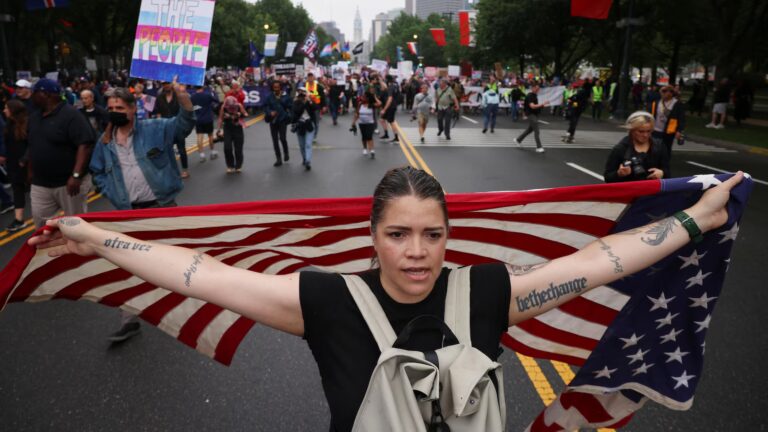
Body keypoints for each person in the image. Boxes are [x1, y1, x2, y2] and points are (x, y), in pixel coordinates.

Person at [29, 166, 744, 432]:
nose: (416, 252)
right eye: (398, 235)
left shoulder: (489, 290)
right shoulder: (326, 302)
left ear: (448, 237)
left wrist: (696, 220)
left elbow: (597, 262)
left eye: (432, 235)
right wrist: (96, 237)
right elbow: (198, 274)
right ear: (372, 239)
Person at [89, 86, 194, 341]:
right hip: (127, 215)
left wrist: (182, 97)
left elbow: (183, 125)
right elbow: (98, 170)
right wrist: (112, 192)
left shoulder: (155, 129)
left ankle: (186, 310)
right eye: (111, 109)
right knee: (128, 267)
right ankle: (129, 320)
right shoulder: (105, 142)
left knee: (174, 262)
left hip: (161, 208)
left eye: (120, 108)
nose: (115, 113)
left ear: (133, 108)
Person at [27, 79, 96, 228]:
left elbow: (85, 145)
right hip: (41, 183)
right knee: (43, 225)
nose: (31, 96)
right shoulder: (33, 117)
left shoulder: (72, 115)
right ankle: (49, 250)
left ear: (45, 94)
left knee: (75, 225)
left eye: (35, 93)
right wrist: (30, 170)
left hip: (68, 184)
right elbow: (32, 145)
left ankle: (76, 251)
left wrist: (76, 175)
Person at [604, 111, 670, 183]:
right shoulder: (620, 149)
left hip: (652, 191)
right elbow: (608, 177)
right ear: (631, 130)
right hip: (629, 192)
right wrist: (619, 174)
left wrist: (662, 173)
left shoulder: (659, 146)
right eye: (641, 131)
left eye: (649, 131)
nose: (645, 135)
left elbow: (668, 173)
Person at [1, 100, 30, 232]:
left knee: (36, 190)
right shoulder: (9, 124)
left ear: (13, 110)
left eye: (6, 108)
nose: (4, 110)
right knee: (17, 189)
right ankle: (19, 219)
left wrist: (25, 159)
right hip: (13, 163)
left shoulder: (28, 124)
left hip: (27, 164)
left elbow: (33, 143)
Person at [154, 82, 190, 179]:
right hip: (165, 127)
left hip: (178, 126)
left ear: (171, 84)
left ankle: (185, 170)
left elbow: (187, 108)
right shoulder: (159, 97)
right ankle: (171, 170)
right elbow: (157, 112)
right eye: (164, 84)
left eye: (168, 83)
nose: (166, 85)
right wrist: (159, 123)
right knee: (167, 150)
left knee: (181, 149)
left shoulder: (178, 96)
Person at [649, 86, 686, 158]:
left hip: (669, 131)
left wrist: (679, 130)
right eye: (663, 91)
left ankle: (665, 164)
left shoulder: (677, 104)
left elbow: (681, 118)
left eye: (668, 91)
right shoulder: (656, 102)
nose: (665, 93)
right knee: (654, 148)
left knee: (666, 149)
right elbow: (651, 115)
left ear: (672, 93)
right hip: (655, 129)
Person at [513, 83, 549, 153]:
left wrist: (542, 105)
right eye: (536, 88)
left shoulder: (534, 95)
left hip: (534, 115)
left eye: (538, 89)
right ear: (532, 88)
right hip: (531, 115)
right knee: (537, 131)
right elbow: (532, 106)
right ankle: (539, 147)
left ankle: (518, 140)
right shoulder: (530, 96)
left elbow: (535, 107)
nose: (538, 90)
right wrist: (542, 104)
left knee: (529, 130)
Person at [264, 81, 293, 167]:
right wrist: (270, 112)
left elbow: (290, 107)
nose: (276, 89)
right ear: (272, 88)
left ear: (280, 87)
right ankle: (278, 158)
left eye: (277, 87)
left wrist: (289, 115)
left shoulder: (285, 96)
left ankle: (286, 152)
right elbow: (265, 106)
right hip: (273, 121)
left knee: (283, 138)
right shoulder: (269, 97)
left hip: (282, 119)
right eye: (274, 87)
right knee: (275, 140)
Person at [217, 96, 248, 174]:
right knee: (227, 148)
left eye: (232, 106)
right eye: (229, 106)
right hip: (227, 128)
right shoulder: (223, 107)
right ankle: (230, 165)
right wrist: (219, 129)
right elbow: (220, 118)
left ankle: (238, 166)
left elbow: (246, 114)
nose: (231, 108)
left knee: (238, 149)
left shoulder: (239, 105)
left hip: (237, 128)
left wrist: (240, 114)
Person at [190, 85, 219, 163]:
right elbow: (217, 100)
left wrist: (199, 107)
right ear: (202, 87)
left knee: (199, 136)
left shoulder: (193, 97)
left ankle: (202, 155)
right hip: (208, 118)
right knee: (210, 135)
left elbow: (191, 108)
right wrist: (214, 92)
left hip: (199, 119)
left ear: (195, 88)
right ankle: (212, 152)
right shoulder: (207, 95)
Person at [290, 88, 316, 171]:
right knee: (302, 145)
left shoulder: (308, 101)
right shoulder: (295, 103)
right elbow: (297, 111)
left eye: (303, 94)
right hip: (300, 125)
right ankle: (305, 159)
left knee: (308, 144)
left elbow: (315, 108)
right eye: (300, 94)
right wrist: (302, 103)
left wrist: (309, 100)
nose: (302, 96)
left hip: (309, 125)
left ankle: (308, 161)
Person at [352, 91, 381, 159]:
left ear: (368, 98)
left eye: (364, 97)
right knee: (364, 136)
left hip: (370, 123)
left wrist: (374, 97)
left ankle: (372, 150)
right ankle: (365, 148)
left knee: (369, 136)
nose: (362, 98)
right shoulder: (360, 104)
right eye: (362, 97)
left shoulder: (372, 105)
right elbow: (357, 114)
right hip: (361, 123)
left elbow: (379, 103)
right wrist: (353, 123)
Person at [379, 75, 400, 143]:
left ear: (387, 80)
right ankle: (386, 134)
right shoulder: (395, 86)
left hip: (390, 106)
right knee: (382, 119)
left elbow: (390, 99)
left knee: (391, 121)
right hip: (393, 105)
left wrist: (384, 109)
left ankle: (396, 137)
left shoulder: (391, 87)